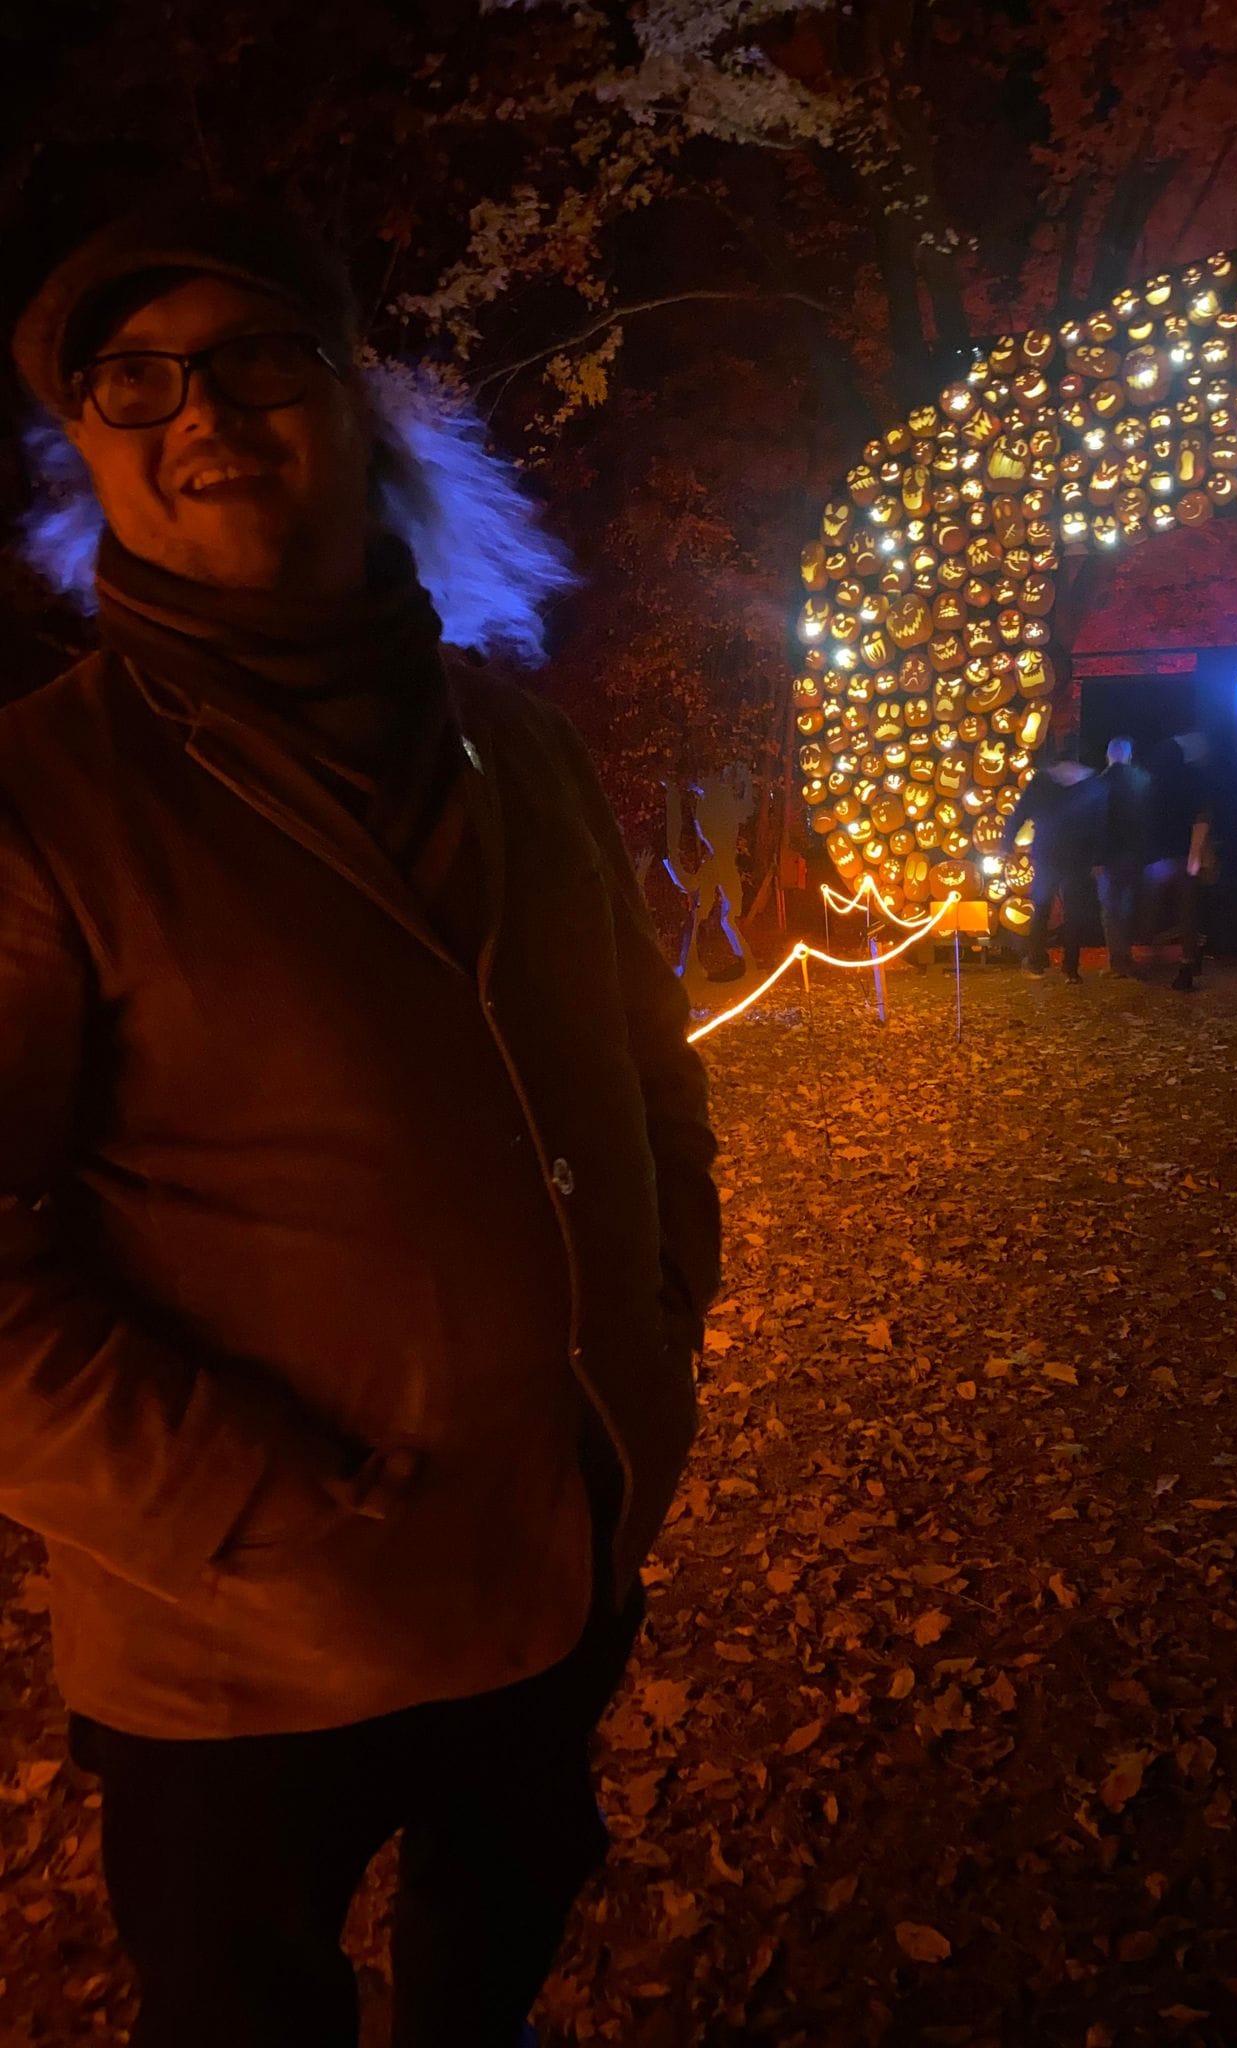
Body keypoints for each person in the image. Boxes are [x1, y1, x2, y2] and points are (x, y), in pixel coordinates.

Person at [1, 197, 720, 2048]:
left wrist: (651, 1344)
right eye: (131, 378)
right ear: (87, 452)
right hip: (246, 1650)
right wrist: (264, 1511)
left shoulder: (519, 740)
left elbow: (645, 1070)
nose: (202, 410)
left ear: (361, 410)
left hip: (556, 1562)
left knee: (492, 1959)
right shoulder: (41, 802)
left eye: (258, 357)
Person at [1002, 752, 1098, 979]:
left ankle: (1037, 961)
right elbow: (1097, 820)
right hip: (1075, 855)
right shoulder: (1087, 784)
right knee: (1071, 911)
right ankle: (1070, 968)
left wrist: (1007, 841)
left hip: (1050, 853)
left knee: (1044, 907)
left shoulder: (1043, 783)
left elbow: (1022, 812)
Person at [1143, 730, 1214, 993]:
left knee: (1156, 907)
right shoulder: (1191, 780)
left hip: (1159, 857)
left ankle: (1162, 956)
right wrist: (1195, 854)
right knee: (1187, 911)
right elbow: (1202, 816)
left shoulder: (1151, 784)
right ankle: (1187, 962)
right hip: (1182, 855)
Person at [1094, 735, 1150, 977]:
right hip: (1135, 854)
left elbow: (1096, 823)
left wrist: (1095, 859)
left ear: (1108, 755)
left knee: (1110, 909)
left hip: (1108, 856)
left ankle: (1117, 962)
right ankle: (1127, 957)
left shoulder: (1100, 784)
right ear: (1128, 755)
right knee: (1127, 907)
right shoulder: (1143, 781)